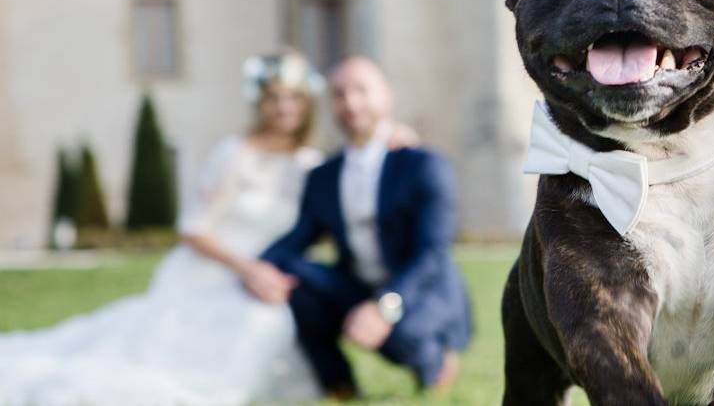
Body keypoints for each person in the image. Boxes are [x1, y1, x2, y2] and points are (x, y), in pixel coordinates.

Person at [0, 51, 339, 405]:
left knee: (272, 323)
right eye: (274, 97)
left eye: (293, 97)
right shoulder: (234, 154)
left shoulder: (311, 166)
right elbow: (192, 229)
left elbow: (327, 229)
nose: (284, 107)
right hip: (214, 274)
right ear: (260, 102)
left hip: (268, 281)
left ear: (307, 103)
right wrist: (247, 269)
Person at [239, 55, 472, 400]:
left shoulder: (423, 164)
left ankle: (434, 364)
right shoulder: (323, 176)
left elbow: (432, 255)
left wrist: (384, 307)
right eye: (339, 94)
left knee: (403, 332)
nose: (351, 103)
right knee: (291, 275)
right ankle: (340, 386)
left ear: (386, 96)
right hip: (356, 286)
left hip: (420, 293)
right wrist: (257, 268)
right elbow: (299, 237)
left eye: (361, 90)